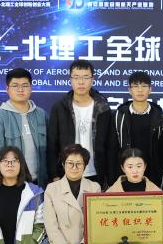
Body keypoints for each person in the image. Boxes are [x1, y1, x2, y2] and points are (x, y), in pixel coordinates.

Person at [98, 148, 163, 244]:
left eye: (139, 166)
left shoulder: (157, 193)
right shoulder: (110, 193)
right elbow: (102, 223)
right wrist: (106, 239)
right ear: (123, 168)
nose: (135, 170)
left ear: (145, 167)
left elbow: (159, 223)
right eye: (130, 166)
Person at [46, 59, 115, 187]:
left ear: (92, 79)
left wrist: (111, 178)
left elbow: (110, 145)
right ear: (70, 80)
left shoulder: (103, 107)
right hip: (67, 172)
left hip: (96, 172)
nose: (81, 82)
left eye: (85, 77)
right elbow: (52, 144)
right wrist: (54, 174)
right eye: (76, 77)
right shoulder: (60, 107)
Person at [0, 68, 49, 186]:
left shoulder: (42, 115)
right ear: (7, 90)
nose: (20, 89)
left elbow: (51, 149)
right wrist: (2, 184)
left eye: (25, 85)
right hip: (12, 184)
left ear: (31, 88)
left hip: (40, 183)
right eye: (15, 86)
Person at [44, 144, 101, 244]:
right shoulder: (52, 189)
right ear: (63, 164)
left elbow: (96, 222)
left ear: (85, 166)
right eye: (70, 163)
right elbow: (50, 224)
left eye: (79, 164)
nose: (74, 168)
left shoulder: (94, 188)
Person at [112, 71, 163, 185]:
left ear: (150, 89)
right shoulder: (119, 116)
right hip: (126, 174)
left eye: (144, 86)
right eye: (135, 86)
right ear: (129, 90)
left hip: (153, 174)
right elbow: (112, 148)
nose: (140, 90)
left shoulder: (160, 116)